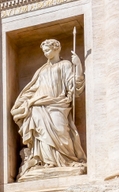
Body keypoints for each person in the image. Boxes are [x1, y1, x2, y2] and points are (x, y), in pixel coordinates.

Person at [11, 39, 85, 179]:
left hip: (58, 104)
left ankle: (67, 161)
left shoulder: (65, 65)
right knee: (41, 134)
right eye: (44, 51)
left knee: (61, 130)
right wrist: (21, 102)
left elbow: (74, 86)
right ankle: (46, 162)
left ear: (56, 48)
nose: (45, 53)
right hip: (38, 105)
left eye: (47, 50)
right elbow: (33, 88)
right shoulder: (42, 70)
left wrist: (78, 66)